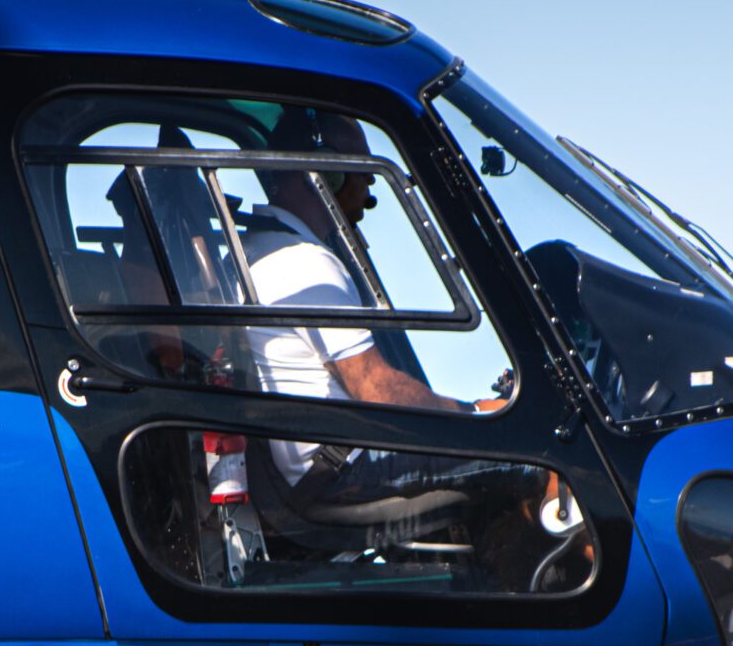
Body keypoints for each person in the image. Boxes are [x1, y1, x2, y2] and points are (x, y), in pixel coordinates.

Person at [237, 115, 577, 558]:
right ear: (326, 172)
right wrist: (478, 414)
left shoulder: (257, 249)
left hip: (313, 471)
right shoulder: (304, 264)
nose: (371, 193)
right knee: (542, 457)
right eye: (363, 169)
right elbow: (376, 390)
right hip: (343, 474)